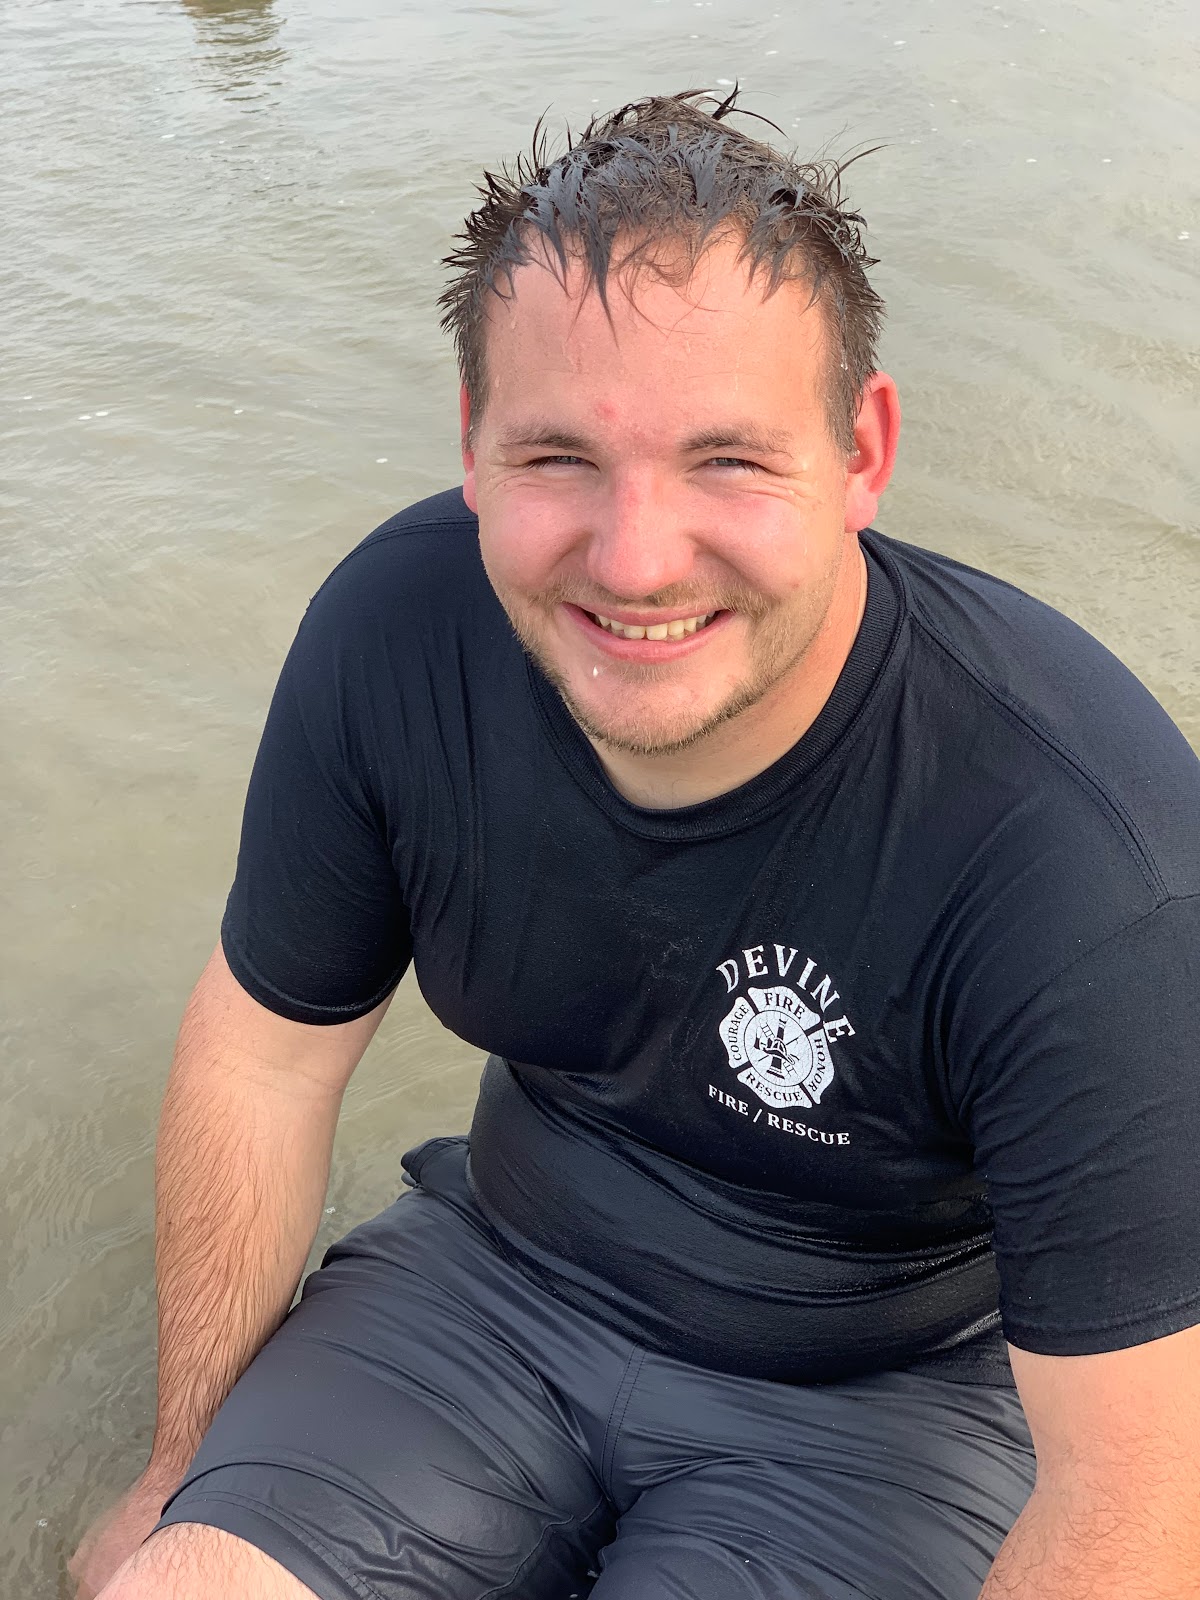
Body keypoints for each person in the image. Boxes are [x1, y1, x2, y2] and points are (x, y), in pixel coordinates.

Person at [72, 90, 1200, 1600]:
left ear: (862, 451)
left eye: (727, 458)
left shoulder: (1082, 851)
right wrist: (176, 1467)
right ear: (472, 444)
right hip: (493, 1282)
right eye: (558, 458)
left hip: (887, 1399)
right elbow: (263, 1058)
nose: (636, 558)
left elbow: (1139, 1496)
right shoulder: (398, 634)